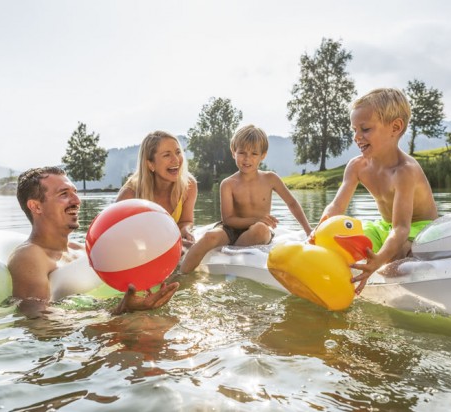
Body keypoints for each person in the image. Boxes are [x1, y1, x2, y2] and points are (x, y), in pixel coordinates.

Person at [8, 166, 179, 318]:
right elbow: (38, 320)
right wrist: (119, 311)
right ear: (36, 206)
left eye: (75, 192)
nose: (76, 200)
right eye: (64, 194)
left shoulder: (84, 250)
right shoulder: (29, 256)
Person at [317, 88, 438, 293]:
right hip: (384, 227)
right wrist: (318, 232)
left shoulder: (405, 172)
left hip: (418, 229)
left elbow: (401, 229)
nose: (357, 137)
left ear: (395, 127)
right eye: (354, 129)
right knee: (343, 242)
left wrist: (378, 261)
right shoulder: (357, 166)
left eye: (365, 129)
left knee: (394, 253)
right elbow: (337, 206)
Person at [180, 124, 312, 273]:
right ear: (233, 152)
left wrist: (308, 230)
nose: (247, 158)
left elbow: (292, 203)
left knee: (261, 229)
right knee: (210, 236)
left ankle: (232, 251)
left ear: (263, 155)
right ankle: (182, 276)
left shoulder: (270, 178)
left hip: (257, 229)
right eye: (242, 152)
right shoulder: (228, 184)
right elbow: (228, 220)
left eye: (254, 154)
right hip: (232, 229)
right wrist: (256, 219)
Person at [116, 131, 198, 248]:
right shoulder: (129, 195)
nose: (176, 160)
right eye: (167, 155)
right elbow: (118, 237)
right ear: (150, 164)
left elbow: (186, 221)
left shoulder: (189, 185)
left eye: (178, 152)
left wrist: (186, 230)